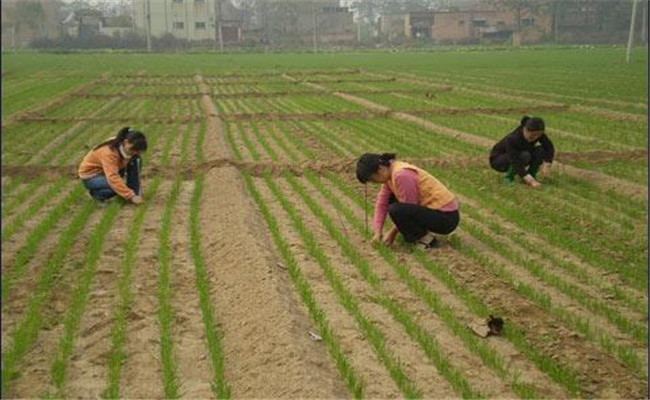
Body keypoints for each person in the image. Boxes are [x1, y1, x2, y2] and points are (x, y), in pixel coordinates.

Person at [356, 153, 460, 249]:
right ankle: (422, 234)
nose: (374, 182)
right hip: (435, 212)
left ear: (380, 169)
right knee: (392, 201)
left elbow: (408, 207)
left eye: (373, 179)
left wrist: (391, 234)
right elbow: (381, 204)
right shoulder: (390, 176)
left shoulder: (401, 175)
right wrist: (377, 232)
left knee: (396, 209)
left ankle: (427, 240)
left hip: (446, 218)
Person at [78, 127, 147, 205]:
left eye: (137, 151)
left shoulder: (128, 149)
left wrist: (135, 194)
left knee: (135, 160)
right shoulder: (109, 152)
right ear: (126, 142)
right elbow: (112, 177)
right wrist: (130, 195)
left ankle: (128, 194)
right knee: (115, 187)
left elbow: (135, 174)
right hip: (91, 176)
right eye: (133, 150)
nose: (135, 152)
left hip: (108, 170)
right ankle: (96, 195)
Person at [489, 116, 554, 188]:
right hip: (499, 161)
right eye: (532, 136)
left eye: (538, 135)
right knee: (524, 155)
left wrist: (547, 163)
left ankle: (532, 174)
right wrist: (527, 178)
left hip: (520, 156)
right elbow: (514, 159)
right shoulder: (513, 139)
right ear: (525, 130)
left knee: (540, 150)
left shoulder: (538, 134)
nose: (535, 137)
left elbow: (549, 147)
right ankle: (509, 177)